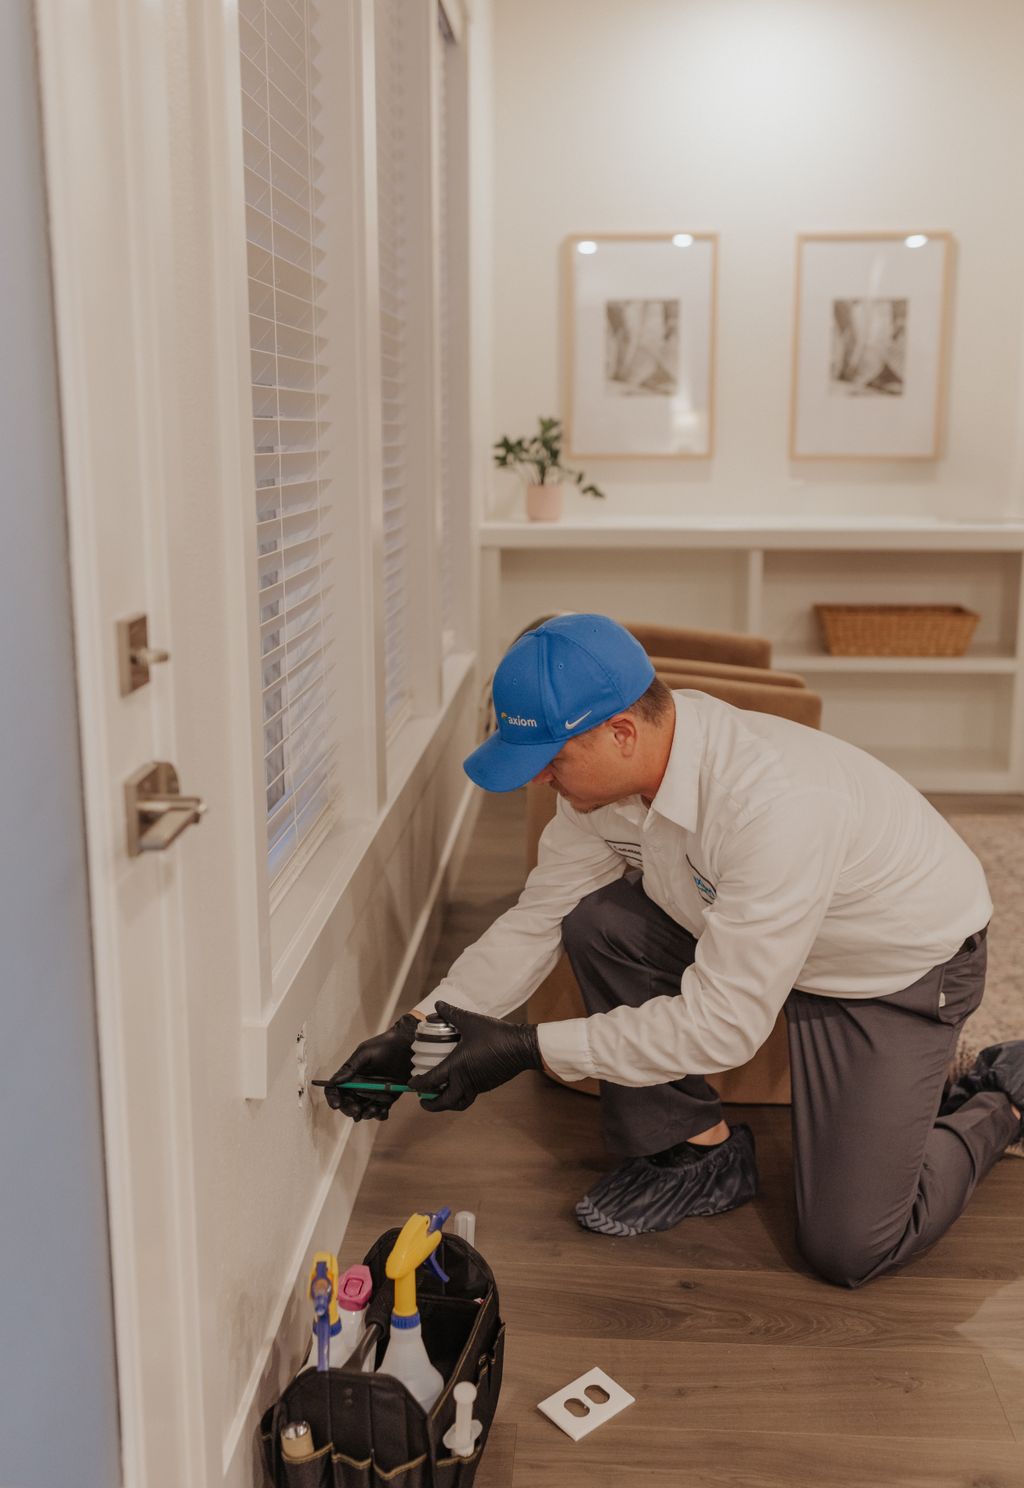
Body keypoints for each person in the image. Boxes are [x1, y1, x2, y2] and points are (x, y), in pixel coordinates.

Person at [325, 614, 1023, 1287]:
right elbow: (539, 917)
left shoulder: (773, 806)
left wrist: (526, 1046)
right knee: (599, 921)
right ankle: (697, 1151)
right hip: (761, 937)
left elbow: (725, 1025)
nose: (542, 783)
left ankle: (1000, 1091)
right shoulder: (607, 784)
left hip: (892, 971)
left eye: (551, 762)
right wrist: (422, 1026)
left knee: (851, 1245)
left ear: (621, 733)